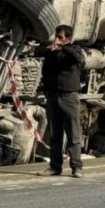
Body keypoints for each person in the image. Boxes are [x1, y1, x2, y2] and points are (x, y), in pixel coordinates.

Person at [40, 25, 86, 177]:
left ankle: (77, 167)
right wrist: (46, 89)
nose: (57, 40)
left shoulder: (75, 50)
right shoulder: (51, 53)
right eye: (56, 36)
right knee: (55, 134)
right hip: (53, 96)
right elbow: (45, 70)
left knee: (73, 134)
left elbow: (79, 58)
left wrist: (64, 47)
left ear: (68, 39)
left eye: (60, 37)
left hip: (69, 97)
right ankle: (55, 166)